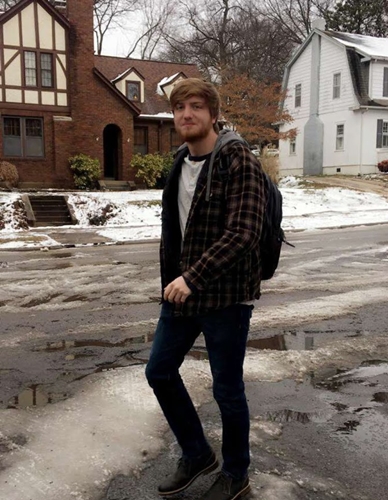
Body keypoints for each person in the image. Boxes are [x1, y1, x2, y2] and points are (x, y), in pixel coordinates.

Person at [145, 78, 266, 500]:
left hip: (227, 296)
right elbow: (175, 231)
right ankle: (197, 453)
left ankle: (236, 473)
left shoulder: (238, 158)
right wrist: (174, 280)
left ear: (213, 114)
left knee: (227, 390)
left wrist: (192, 277)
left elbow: (244, 232)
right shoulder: (180, 161)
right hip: (182, 292)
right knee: (159, 372)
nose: (186, 114)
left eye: (196, 106)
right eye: (179, 107)